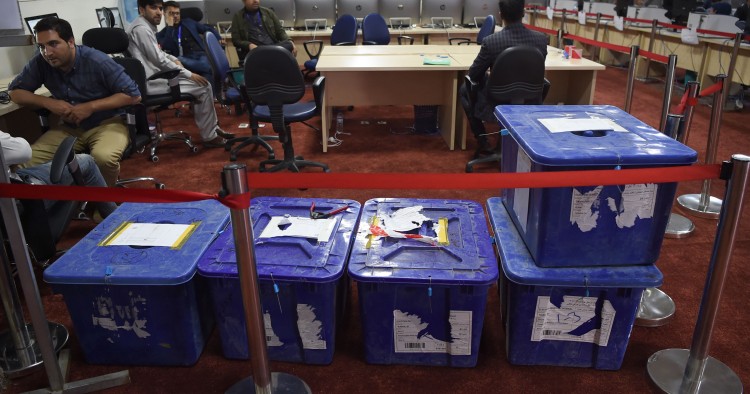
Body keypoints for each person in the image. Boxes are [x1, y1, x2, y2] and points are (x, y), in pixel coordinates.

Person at [8, 17, 141, 187]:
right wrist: (48, 103)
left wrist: (91, 107)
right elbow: (15, 92)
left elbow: (134, 95)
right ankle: (51, 206)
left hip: (107, 123)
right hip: (69, 128)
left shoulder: (97, 60)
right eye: (41, 46)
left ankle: (105, 207)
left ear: (70, 42)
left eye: (53, 44)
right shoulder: (41, 62)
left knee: (103, 157)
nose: (47, 53)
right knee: (21, 162)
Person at [127, 0, 234, 148]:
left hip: (159, 76)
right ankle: (210, 135)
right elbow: (159, 59)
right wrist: (188, 74)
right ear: (141, 10)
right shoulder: (142, 30)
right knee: (203, 86)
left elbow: (159, 54)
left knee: (203, 79)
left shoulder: (144, 26)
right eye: (153, 8)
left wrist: (175, 59)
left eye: (160, 8)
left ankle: (213, 129)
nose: (158, 12)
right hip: (152, 82)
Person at [460, 0, 549, 157]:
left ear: (500, 15)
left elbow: (473, 75)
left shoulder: (492, 41)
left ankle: (483, 142)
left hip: (496, 103)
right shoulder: (541, 39)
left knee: (463, 89)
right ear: (523, 13)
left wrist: (490, 75)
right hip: (530, 100)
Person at [1, 130, 117, 218]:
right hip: (21, 202)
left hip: (11, 193)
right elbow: (24, 151)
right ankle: (117, 221)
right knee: (86, 161)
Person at [157, 1, 220, 82]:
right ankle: (210, 69)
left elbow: (207, 29)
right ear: (164, 14)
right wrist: (170, 27)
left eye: (177, 13)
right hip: (184, 59)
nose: (175, 16)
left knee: (206, 77)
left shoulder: (189, 22)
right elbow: (167, 46)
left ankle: (212, 93)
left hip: (201, 55)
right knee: (205, 67)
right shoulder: (161, 34)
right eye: (172, 13)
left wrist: (218, 38)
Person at [231, 0, 297, 63]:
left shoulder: (268, 12)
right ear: (244, 1)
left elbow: (280, 32)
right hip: (256, 50)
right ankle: (270, 58)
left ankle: (268, 57)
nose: (256, 1)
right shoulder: (238, 16)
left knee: (289, 44)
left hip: (273, 47)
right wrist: (249, 45)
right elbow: (236, 40)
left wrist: (289, 41)